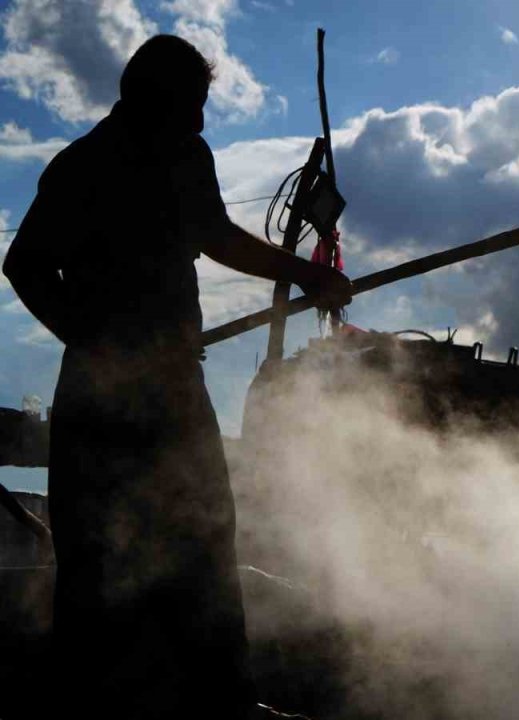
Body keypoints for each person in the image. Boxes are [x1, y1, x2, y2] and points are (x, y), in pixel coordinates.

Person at [2, 35, 352, 719]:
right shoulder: (83, 168)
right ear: (147, 99)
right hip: (100, 401)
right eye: (191, 105)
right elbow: (25, 265)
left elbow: (216, 235)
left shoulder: (187, 155)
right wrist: (97, 343)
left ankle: (228, 702)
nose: (199, 120)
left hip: (175, 389)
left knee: (205, 542)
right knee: (95, 567)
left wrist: (305, 273)